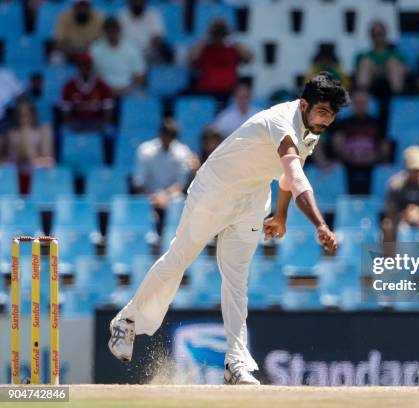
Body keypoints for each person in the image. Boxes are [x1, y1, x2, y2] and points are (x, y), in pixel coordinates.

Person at [107, 72, 348, 385]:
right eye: (323, 112)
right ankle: (126, 320)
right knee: (178, 261)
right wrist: (319, 223)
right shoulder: (281, 122)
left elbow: (290, 174)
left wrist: (280, 214)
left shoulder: (310, 128)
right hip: (214, 192)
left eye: (331, 115)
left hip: (251, 200)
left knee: (237, 281)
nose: (326, 121)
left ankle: (235, 364)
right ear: (304, 104)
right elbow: (296, 175)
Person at [327, 89, 390, 194]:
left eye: (363, 103)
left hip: (372, 165)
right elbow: (337, 144)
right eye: (357, 103)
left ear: (368, 103)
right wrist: (350, 158)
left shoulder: (378, 124)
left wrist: (373, 158)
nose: (360, 105)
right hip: (347, 166)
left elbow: (385, 147)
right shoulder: (343, 124)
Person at [189, 19, 253, 101]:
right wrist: (205, 38)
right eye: (217, 33)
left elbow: (249, 58)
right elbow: (191, 61)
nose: (218, 36)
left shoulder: (232, 49)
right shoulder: (204, 49)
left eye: (220, 33)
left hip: (230, 92)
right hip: (207, 92)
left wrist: (231, 38)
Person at [2, 98, 55, 194]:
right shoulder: (11, 134)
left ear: (33, 114)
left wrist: (26, 138)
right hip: (15, 176)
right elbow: (8, 160)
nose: (24, 119)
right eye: (21, 115)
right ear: (16, 116)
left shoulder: (44, 131)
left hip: (37, 176)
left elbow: (48, 160)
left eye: (27, 115)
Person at [61, 51, 115, 132]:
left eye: (87, 65)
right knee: (64, 131)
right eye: (82, 64)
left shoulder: (102, 85)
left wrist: (103, 125)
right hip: (77, 122)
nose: (85, 68)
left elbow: (108, 111)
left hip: (97, 121)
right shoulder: (69, 86)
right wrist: (71, 125)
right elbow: (66, 113)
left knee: (109, 132)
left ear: (91, 66)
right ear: (78, 66)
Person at [91, 17, 146, 96]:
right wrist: (106, 89)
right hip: (103, 91)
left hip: (128, 91)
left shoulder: (132, 48)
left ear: (119, 29)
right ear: (104, 30)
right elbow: (92, 75)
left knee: (140, 97)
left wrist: (127, 89)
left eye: (114, 28)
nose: (112, 31)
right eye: (109, 29)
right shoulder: (95, 49)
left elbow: (140, 75)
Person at [355, 20, 407, 97]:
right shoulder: (362, 55)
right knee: (366, 63)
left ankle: (397, 100)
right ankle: (362, 98)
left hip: (393, 81)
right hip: (371, 81)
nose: (377, 37)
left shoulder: (397, 54)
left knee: (392, 63)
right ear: (371, 36)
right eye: (374, 34)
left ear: (385, 34)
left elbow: (406, 70)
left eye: (379, 34)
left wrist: (387, 69)